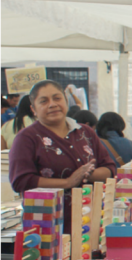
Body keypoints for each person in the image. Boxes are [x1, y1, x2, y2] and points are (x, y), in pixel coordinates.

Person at [9, 80, 116, 234]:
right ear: (33, 109)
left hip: (91, 222)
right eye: (44, 101)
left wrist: (87, 174)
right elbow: (21, 181)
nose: (52, 104)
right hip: (48, 227)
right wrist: (67, 182)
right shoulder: (26, 138)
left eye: (57, 98)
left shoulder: (85, 132)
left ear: (66, 101)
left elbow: (110, 168)